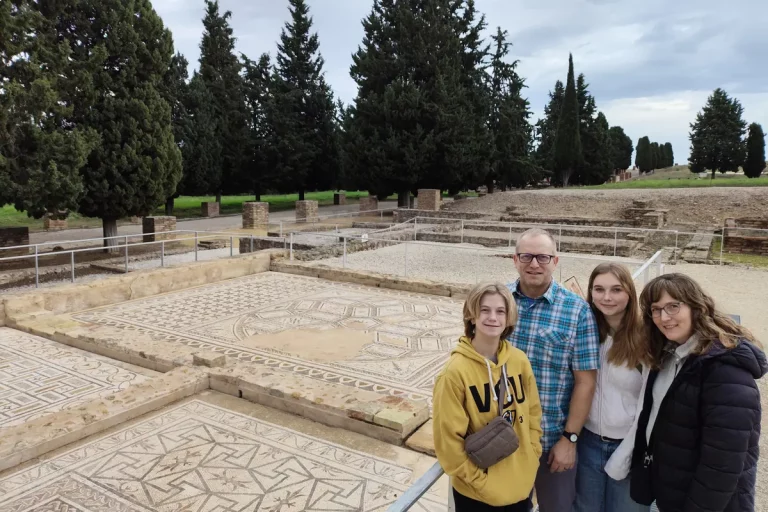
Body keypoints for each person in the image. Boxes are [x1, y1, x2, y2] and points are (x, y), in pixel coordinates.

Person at [630, 273, 766, 512]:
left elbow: (722, 464)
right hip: (673, 492)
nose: (664, 317)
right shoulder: (671, 355)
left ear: (696, 307)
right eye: (656, 309)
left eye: (673, 306)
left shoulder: (726, 371)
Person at [505, 228, 600, 512]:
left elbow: (586, 382)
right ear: (515, 259)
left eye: (543, 257)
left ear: (555, 262)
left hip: (550, 441)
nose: (534, 264)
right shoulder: (500, 304)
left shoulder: (577, 311)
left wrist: (569, 439)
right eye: (527, 256)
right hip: (503, 438)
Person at [433, 282, 543, 511]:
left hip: (521, 486)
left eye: (500, 311)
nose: (493, 317)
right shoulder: (454, 373)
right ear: (472, 316)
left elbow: (532, 412)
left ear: (508, 317)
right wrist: (482, 482)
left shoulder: (519, 360)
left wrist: (532, 456)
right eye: (485, 310)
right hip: (478, 497)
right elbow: (448, 444)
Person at [573, 263, 652, 512]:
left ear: (629, 292)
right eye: (599, 289)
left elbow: (651, 402)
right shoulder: (586, 332)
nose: (607, 297)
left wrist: (631, 450)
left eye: (616, 289)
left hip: (630, 445)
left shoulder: (646, 338)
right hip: (587, 441)